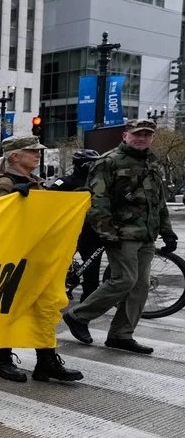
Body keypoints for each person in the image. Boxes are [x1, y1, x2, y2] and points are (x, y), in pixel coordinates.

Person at [62, 118, 177, 354]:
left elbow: (158, 202)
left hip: (146, 235)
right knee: (124, 280)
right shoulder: (109, 162)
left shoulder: (152, 164)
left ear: (152, 138)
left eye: (147, 134)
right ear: (125, 136)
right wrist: (106, 232)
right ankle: (78, 315)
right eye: (137, 134)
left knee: (140, 286)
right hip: (121, 234)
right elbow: (97, 202)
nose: (142, 138)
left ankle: (121, 335)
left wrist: (167, 231)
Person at [0, 136, 84, 383]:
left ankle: (46, 361)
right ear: (15, 156)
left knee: (46, 308)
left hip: (39, 257)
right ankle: (1, 360)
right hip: (14, 259)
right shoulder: (4, 184)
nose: (38, 155)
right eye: (32, 151)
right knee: (9, 309)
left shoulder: (34, 182)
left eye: (38, 151)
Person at [50, 149, 104, 300]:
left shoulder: (100, 184)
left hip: (92, 232)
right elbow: (48, 200)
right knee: (59, 268)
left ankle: (86, 306)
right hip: (67, 233)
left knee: (92, 275)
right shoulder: (64, 182)